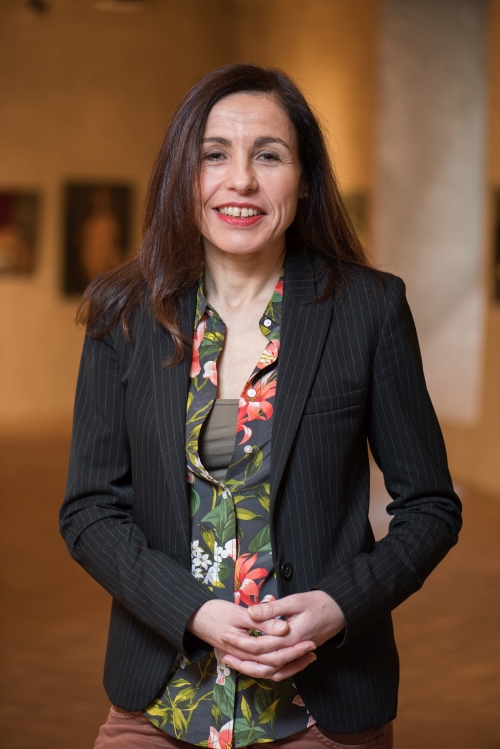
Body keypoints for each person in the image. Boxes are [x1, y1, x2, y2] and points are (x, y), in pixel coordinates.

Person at [59, 64, 461, 749]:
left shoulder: (368, 310)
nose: (240, 180)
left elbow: (430, 506)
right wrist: (193, 611)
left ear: (304, 180)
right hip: (160, 702)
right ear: (183, 175)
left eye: (268, 156)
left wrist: (339, 606)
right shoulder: (122, 313)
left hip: (321, 709)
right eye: (214, 155)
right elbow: (90, 509)